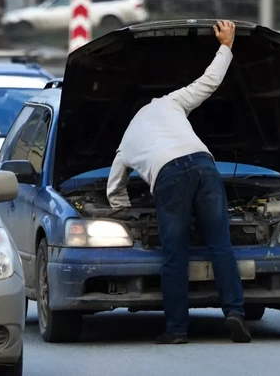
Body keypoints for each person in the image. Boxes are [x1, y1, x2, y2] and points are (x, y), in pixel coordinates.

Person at [106, 20, 251, 344]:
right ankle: (235, 313)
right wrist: (226, 45)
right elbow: (208, 82)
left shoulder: (127, 141)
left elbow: (114, 188)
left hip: (169, 177)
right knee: (220, 245)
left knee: (176, 253)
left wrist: (125, 213)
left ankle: (176, 329)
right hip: (204, 164)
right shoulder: (168, 102)